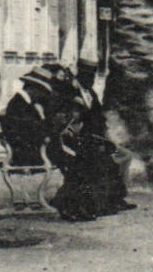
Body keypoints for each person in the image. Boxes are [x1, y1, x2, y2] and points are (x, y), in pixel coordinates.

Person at [47, 78, 133, 223]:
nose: (89, 77)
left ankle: (114, 198)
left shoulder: (90, 94)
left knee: (122, 156)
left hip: (95, 139)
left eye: (92, 73)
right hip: (81, 143)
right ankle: (102, 202)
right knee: (101, 160)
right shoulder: (69, 98)